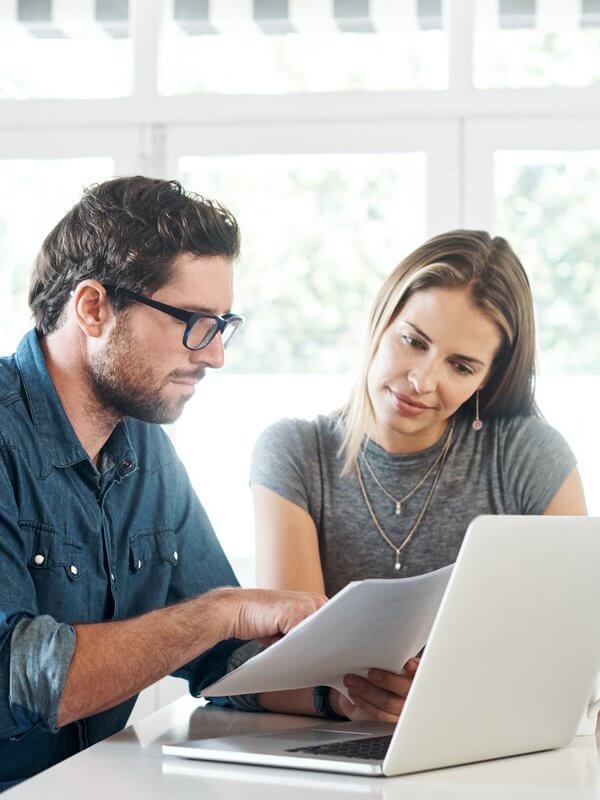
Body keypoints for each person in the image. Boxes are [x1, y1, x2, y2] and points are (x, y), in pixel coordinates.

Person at [0, 176, 329, 788]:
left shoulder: (146, 451)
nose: (214, 355)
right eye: (192, 321)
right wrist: (221, 613)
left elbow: (220, 656)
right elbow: (18, 678)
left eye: (222, 324)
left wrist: (338, 697)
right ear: (93, 307)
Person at [250, 229, 587, 721]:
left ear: (488, 379)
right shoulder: (295, 453)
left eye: (461, 366)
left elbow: (572, 647)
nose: (422, 381)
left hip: (488, 737)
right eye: (413, 341)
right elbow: (295, 661)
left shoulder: (528, 455)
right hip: (338, 749)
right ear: (381, 318)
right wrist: (350, 703)